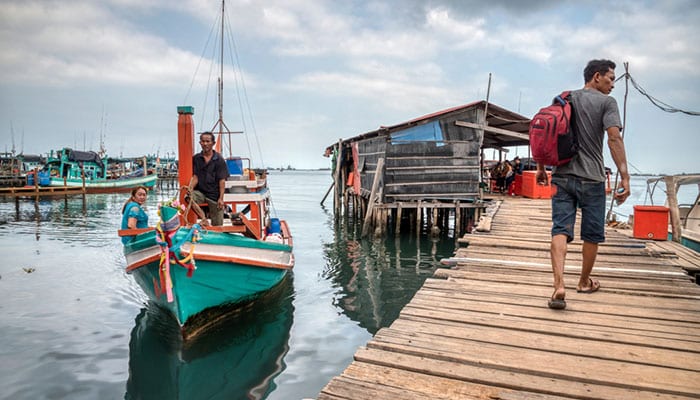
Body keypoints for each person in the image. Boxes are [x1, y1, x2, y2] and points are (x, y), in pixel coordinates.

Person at [537, 59, 630, 310]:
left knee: (560, 229)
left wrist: (541, 169)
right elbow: (614, 138)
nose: (613, 84)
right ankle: (583, 281)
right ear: (596, 76)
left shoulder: (564, 98)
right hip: (593, 179)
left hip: (562, 177)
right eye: (611, 78)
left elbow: (545, 133)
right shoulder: (607, 103)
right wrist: (625, 176)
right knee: (591, 234)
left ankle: (558, 285)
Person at [190, 131, 229, 226]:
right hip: (201, 193)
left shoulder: (219, 160)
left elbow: (222, 180)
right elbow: (195, 176)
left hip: (214, 195)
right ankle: (203, 218)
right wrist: (189, 188)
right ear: (200, 143)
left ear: (213, 143)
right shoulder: (196, 158)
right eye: (203, 141)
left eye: (208, 141)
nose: (205, 144)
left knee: (218, 225)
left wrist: (221, 198)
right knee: (188, 197)